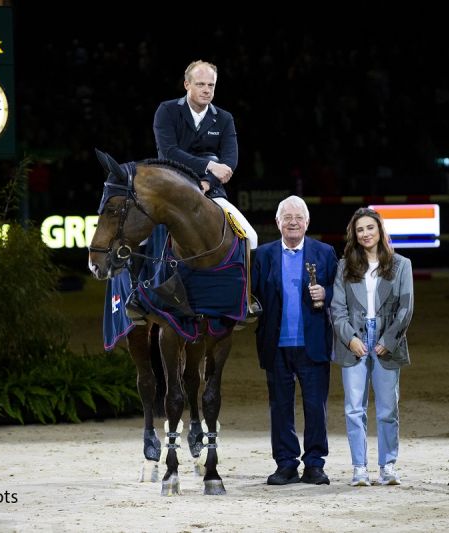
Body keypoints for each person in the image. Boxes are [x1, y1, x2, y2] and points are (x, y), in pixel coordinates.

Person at [251, 195, 338, 485]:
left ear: (307, 222)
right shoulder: (262, 255)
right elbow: (251, 297)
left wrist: (326, 294)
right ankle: (286, 464)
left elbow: (341, 296)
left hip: (313, 345)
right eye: (286, 217)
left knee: (316, 407)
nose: (293, 222)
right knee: (280, 407)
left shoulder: (324, 252)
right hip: (275, 345)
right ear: (277, 223)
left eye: (298, 217)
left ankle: (314, 464)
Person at [330, 207, 414, 487]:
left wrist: (387, 340)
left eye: (370, 228)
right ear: (354, 235)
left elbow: (406, 309)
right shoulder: (345, 266)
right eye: (360, 229)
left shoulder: (401, 265)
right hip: (353, 338)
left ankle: (387, 466)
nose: (366, 234)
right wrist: (351, 338)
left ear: (380, 231)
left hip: (386, 339)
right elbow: (337, 309)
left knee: (388, 408)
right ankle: (359, 469)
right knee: (354, 408)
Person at [153, 59, 258, 249]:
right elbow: (169, 153)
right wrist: (209, 165)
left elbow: (229, 162)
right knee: (137, 237)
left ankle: (246, 280)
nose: (206, 89)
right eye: (200, 84)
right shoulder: (167, 110)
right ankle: (138, 279)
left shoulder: (225, 119)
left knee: (251, 238)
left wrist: (208, 181)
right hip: (169, 186)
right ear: (187, 84)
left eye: (211, 85)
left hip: (211, 189)